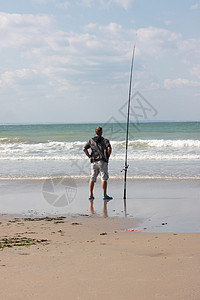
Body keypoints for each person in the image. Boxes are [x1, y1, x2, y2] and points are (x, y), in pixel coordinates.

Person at [83, 126, 112, 217]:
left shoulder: (91, 140)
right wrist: (107, 156)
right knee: (104, 178)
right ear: (101, 132)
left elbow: (84, 149)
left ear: (95, 132)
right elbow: (109, 149)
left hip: (94, 161)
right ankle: (104, 195)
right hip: (102, 161)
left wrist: (89, 157)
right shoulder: (105, 140)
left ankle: (91, 194)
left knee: (92, 178)